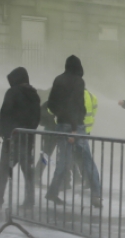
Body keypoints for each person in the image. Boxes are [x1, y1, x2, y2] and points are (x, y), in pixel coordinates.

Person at [45, 55, 102, 208]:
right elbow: (75, 105)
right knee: (87, 160)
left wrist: (59, 115)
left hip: (61, 125)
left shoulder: (58, 80)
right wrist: (75, 129)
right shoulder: (78, 81)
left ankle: (52, 192)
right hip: (76, 127)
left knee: (63, 161)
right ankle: (96, 195)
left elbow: (51, 103)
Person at [0, 67, 41, 209]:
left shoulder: (12, 92)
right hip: (27, 139)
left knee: (3, 169)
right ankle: (29, 201)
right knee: (28, 171)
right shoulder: (34, 94)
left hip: (12, 139)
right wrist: (30, 131)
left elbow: (5, 113)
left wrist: (0, 132)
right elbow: (37, 117)